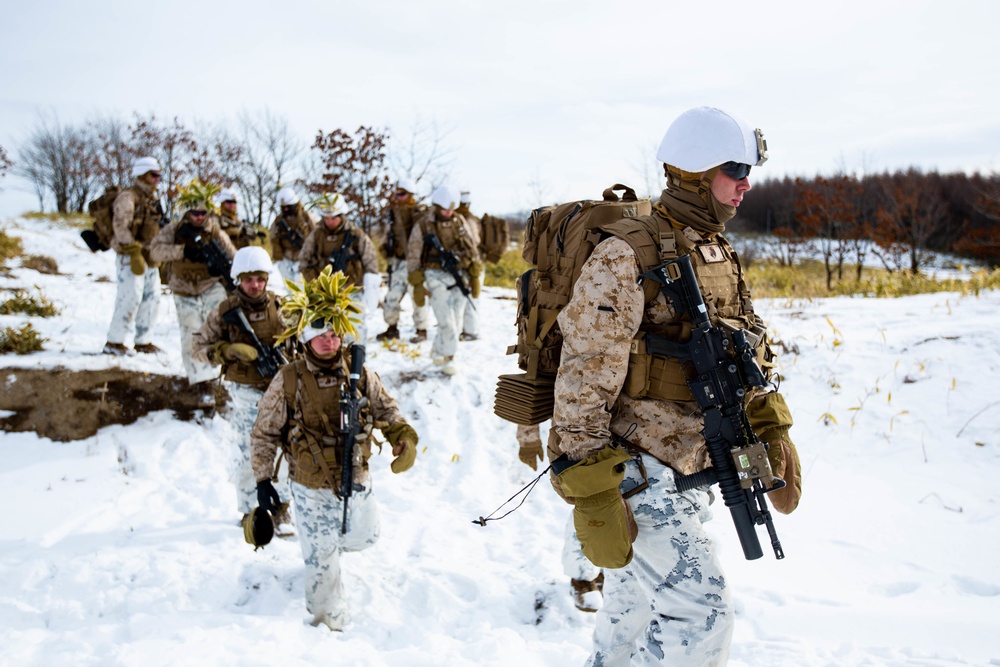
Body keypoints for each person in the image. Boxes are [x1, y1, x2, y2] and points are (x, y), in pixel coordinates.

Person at [549, 107, 801, 666]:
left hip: (695, 460)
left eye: (747, 170)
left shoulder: (716, 249)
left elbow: (747, 345)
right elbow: (583, 374)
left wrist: (770, 425)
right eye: (735, 168)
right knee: (703, 621)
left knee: (629, 622)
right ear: (693, 171)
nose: (746, 183)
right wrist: (593, 488)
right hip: (641, 472)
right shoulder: (626, 253)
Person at [250, 274, 418, 631]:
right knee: (323, 561)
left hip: (356, 475)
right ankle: (328, 622)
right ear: (307, 340)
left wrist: (402, 436)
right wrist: (264, 478)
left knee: (366, 536)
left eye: (334, 334)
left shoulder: (358, 372)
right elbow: (264, 431)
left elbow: (387, 410)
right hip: (310, 484)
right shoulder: (289, 379)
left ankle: (322, 548)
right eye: (321, 335)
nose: (330, 341)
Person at [191, 246, 293, 534]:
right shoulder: (225, 311)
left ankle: (282, 507)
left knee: (284, 448)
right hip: (246, 391)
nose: (255, 285)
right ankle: (252, 509)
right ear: (239, 279)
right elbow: (196, 347)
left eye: (260, 279)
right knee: (251, 450)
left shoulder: (281, 307)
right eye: (249, 279)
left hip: (281, 388)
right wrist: (225, 351)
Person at [149, 180, 237, 398]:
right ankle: (200, 381)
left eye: (202, 213)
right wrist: (182, 252)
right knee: (191, 333)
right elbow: (155, 252)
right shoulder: (174, 230)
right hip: (183, 288)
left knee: (216, 329)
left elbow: (234, 257)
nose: (199, 217)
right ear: (187, 212)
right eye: (195, 213)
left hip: (210, 285)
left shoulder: (215, 232)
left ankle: (219, 374)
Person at [516, 422, 605, 613]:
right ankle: (583, 577)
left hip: (630, 429)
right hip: (576, 431)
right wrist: (528, 439)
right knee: (586, 502)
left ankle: (608, 569)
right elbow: (529, 392)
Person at [406, 184, 480, 375]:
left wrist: (474, 273)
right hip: (434, 275)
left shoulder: (459, 221)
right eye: (445, 209)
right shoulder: (424, 225)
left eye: (451, 209)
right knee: (446, 320)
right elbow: (414, 253)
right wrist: (416, 282)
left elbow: (472, 246)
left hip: (459, 273)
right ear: (437, 206)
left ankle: (438, 349)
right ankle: (450, 358)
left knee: (456, 316)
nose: (448, 212)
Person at [103, 156, 165, 356]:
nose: (157, 179)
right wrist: (133, 250)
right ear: (142, 174)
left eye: (158, 175)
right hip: (131, 256)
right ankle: (115, 341)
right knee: (130, 298)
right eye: (153, 175)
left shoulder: (153, 199)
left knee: (152, 299)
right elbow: (120, 225)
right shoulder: (128, 196)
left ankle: (143, 341)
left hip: (150, 256)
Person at [298, 192, 380, 343]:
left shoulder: (355, 235)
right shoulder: (316, 235)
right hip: (323, 293)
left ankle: (357, 364)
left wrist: (371, 285)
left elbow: (370, 259)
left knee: (354, 331)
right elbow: (304, 260)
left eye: (334, 218)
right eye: (327, 218)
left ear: (342, 215)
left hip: (350, 290)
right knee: (326, 334)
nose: (330, 222)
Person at [375, 177, 431, 343]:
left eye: (402, 194)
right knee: (392, 296)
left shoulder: (421, 213)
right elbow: (389, 236)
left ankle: (422, 330)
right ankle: (392, 328)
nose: (398, 198)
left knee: (418, 297)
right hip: (398, 263)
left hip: (416, 264)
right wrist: (386, 251)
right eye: (397, 194)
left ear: (410, 194)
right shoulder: (395, 215)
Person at [269, 186, 316, 284]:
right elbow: (273, 237)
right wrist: (278, 258)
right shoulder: (279, 221)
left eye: (288, 207)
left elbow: (317, 234)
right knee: (289, 287)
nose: (286, 209)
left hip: (304, 258)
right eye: (283, 208)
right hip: (286, 259)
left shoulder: (307, 217)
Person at [455, 190, 484, 342]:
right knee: (470, 297)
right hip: (473, 264)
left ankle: (471, 331)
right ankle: (467, 330)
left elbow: (473, 243)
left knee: (470, 298)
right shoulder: (473, 219)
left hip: (472, 265)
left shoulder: (466, 220)